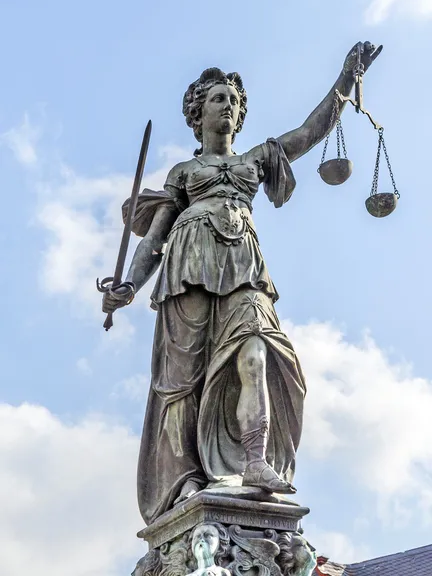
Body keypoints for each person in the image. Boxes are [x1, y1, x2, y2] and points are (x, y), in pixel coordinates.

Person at [103, 42, 381, 525]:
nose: (227, 106)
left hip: (244, 268)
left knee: (256, 353)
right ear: (197, 113)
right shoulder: (185, 172)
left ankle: (255, 460)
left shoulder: (256, 160)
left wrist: (345, 79)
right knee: (181, 382)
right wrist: (128, 284)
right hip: (188, 267)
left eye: (232, 99)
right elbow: (154, 238)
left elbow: (311, 132)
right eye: (217, 99)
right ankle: (184, 477)